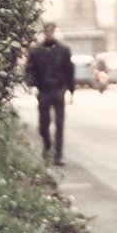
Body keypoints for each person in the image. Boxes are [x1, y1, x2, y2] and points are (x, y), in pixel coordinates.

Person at [24, 23, 75, 165]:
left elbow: (69, 71)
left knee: (59, 124)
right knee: (43, 125)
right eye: (47, 31)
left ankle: (58, 155)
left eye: (52, 31)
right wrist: (32, 85)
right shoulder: (36, 51)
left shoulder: (64, 50)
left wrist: (71, 91)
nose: (50, 34)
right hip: (44, 91)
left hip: (59, 90)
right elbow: (29, 70)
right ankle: (47, 147)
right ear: (44, 33)